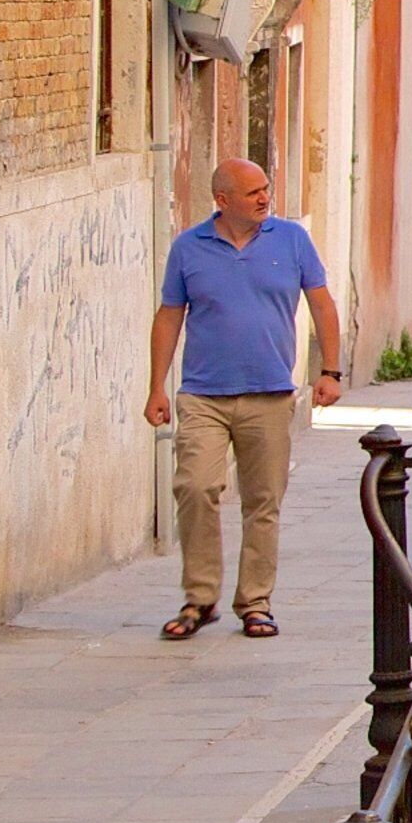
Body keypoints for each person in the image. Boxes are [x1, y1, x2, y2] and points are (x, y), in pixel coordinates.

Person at [148, 159, 342, 640]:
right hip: (203, 394)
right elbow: (170, 315)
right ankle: (200, 597)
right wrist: (156, 386)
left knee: (263, 501)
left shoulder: (291, 240)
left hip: (271, 394)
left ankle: (255, 602)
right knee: (195, 487)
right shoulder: (188, 248)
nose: (263, 197)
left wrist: (330, 371)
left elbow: (321, 302)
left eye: (265, 188)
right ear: (223, 200)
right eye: (252, 191)